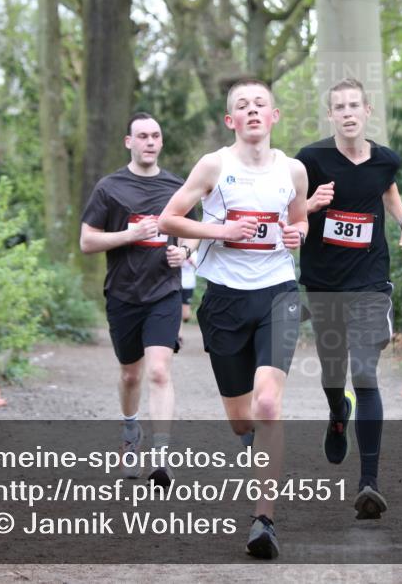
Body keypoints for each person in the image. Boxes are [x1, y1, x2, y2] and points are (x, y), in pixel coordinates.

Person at [159, 79, 308, 560]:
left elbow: (299, 219)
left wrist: (297, 234)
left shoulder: (294, 170)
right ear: (231, 120)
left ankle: (264, 520)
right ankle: (251, 443)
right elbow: (169, 219)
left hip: (278, 293)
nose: (251, 111)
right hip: (223, 299)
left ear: (274, 116)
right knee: (242, 421)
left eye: (260, 104)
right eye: (241, 106)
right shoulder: (214, 166)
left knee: (268, 405)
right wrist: (220, 229)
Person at [295, 78, 402, 520]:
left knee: (364, 373)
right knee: (334, 374)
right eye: (339, 107)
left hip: (369, 283)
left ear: (367, 110)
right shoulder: (310, 159)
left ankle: (369, 483)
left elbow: (385, 189)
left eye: (354, 105)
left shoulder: (386, 159)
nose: (347, 113)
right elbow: (289, 207)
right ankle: (335, 411)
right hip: (324, 284)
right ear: (330, 115)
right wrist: (310, 203)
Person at [79, 112, 196, 488]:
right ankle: (131, 432)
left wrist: (186, 253)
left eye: (155, 135)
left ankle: (161, 456)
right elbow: (87, 241)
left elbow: (192, 232)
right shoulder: (109, 188)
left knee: (160, 369)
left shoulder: (178, 188)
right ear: (128, 142)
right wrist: (128, 235)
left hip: (165, 291)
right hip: (123, 293)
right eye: (142, 135)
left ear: (161, 142)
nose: (149, 141)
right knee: (131, 374)